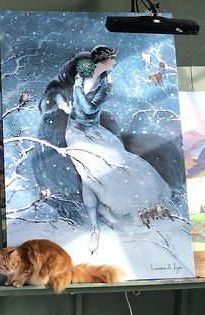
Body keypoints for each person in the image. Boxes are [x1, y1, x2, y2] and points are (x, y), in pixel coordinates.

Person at [64, 46, 172, 254]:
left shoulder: (106, 84)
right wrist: (75, 88)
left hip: (93, 130)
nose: (114, 62)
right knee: (89, 174)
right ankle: (95, 225)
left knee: (119, 161)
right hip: (76, 134)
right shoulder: (86, 78)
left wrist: (77, 87)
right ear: (101, 61)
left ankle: (137, 203)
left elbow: (88, 110)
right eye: (111, 59)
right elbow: (79, 111)